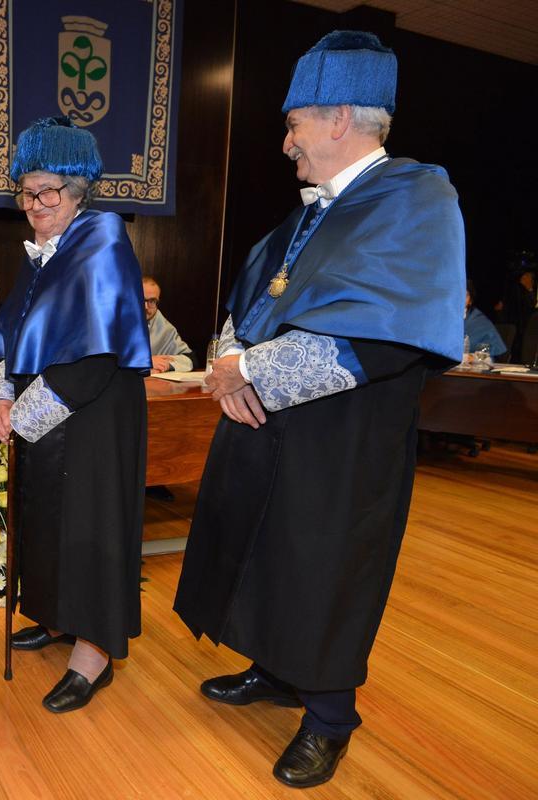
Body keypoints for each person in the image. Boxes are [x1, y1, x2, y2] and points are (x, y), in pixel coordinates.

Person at [172, 31, 465, 789]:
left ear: (339, 118)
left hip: (344, 440)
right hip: (266, 424)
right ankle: (274, 669)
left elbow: (384, 336)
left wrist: (244, 373)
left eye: (294, 124)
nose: (286, 142)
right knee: (266, 548)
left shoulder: (416, 200)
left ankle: (330, 718)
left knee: (325, 567)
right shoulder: (305, 216)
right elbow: (245, 308)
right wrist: (231, 368)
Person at [0, 116, 151, 714]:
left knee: (89, 528)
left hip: (94, 413)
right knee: (49, 521)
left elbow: (95, 354)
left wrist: (19, 415)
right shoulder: (38, 256)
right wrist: (2, 396)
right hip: (48, 409)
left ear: (79, 190)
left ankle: (93, 651)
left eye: (48, 191)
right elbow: (13, 340)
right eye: (26, 192)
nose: (35, 205)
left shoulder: (102, 235)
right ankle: (57, 618)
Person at [144, 277, 194, 373]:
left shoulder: (162, 325)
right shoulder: (118, 320)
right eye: (141, 299)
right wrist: (146, 362)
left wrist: (165, 365)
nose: (146, 307)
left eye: (152, 301)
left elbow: (190, 358)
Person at [464, 280, 508, 360]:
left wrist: (472, 358)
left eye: (465, 295)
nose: (460, 299)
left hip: (471, 366)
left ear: (470, 300)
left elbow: (485, 356)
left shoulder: (481, 323)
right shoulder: (442, 320)